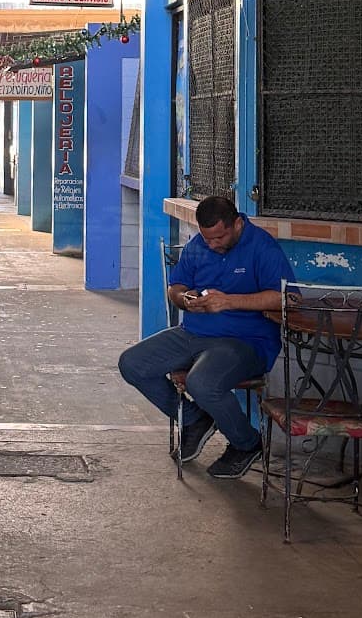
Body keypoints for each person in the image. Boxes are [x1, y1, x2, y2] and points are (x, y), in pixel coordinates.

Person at [118, 195, 295, 480]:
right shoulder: (198, 246)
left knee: (202, 382)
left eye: (219, 237)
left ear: (237, 224)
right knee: (132, 363)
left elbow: (286, 297)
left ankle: (247, 444)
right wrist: (186, 298)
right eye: (207, 238)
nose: (213, 244)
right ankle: (194, 419)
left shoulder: (262, 246)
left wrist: (230, 302)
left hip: (245, 341)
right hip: (194, 332)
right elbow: (175, 288)